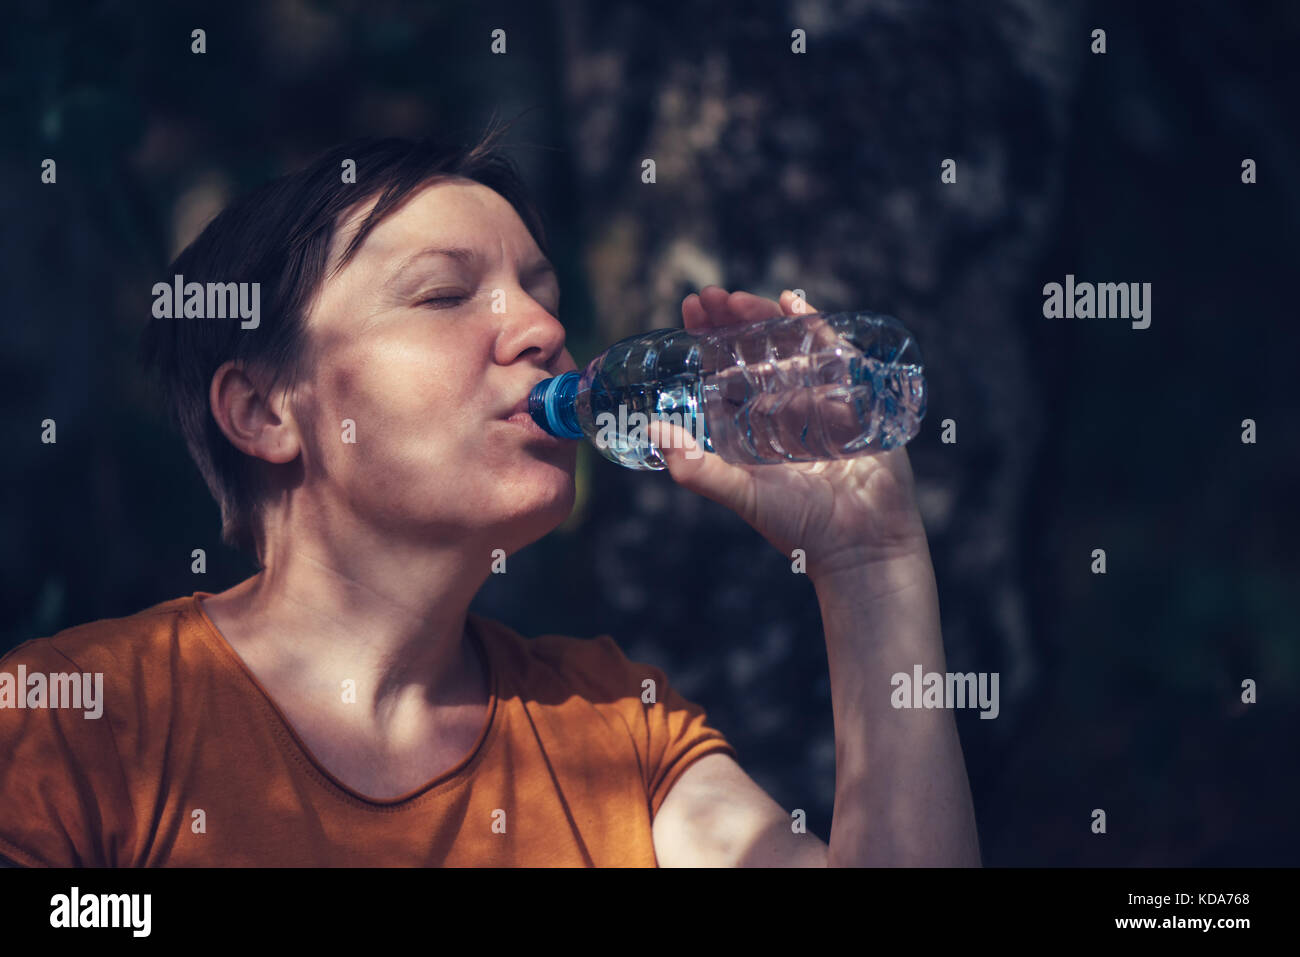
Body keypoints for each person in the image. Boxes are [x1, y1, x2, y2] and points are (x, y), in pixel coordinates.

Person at [0, 125, 979, 867]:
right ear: (263, 411)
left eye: (538, 288)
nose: (541, 326)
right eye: (443, 295)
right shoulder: (74, 721)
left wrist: (871, 568)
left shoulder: (611, 727)